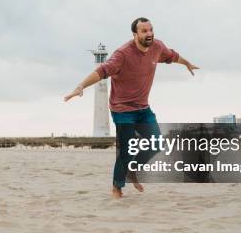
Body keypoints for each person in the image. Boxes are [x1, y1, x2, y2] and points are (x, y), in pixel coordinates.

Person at [64, 18, 199, 198]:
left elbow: (172, 56)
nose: (149, 33)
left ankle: (132, 170)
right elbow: (102, 71)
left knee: (157, 143)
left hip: (143, 109)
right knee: (126, 150)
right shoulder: (123, 54)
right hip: (122, 110)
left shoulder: (157, 47)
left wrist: (187, 63)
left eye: (151, 29)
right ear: (135, 34)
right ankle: (117, 188)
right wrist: (81, 86)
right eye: (144, 31)